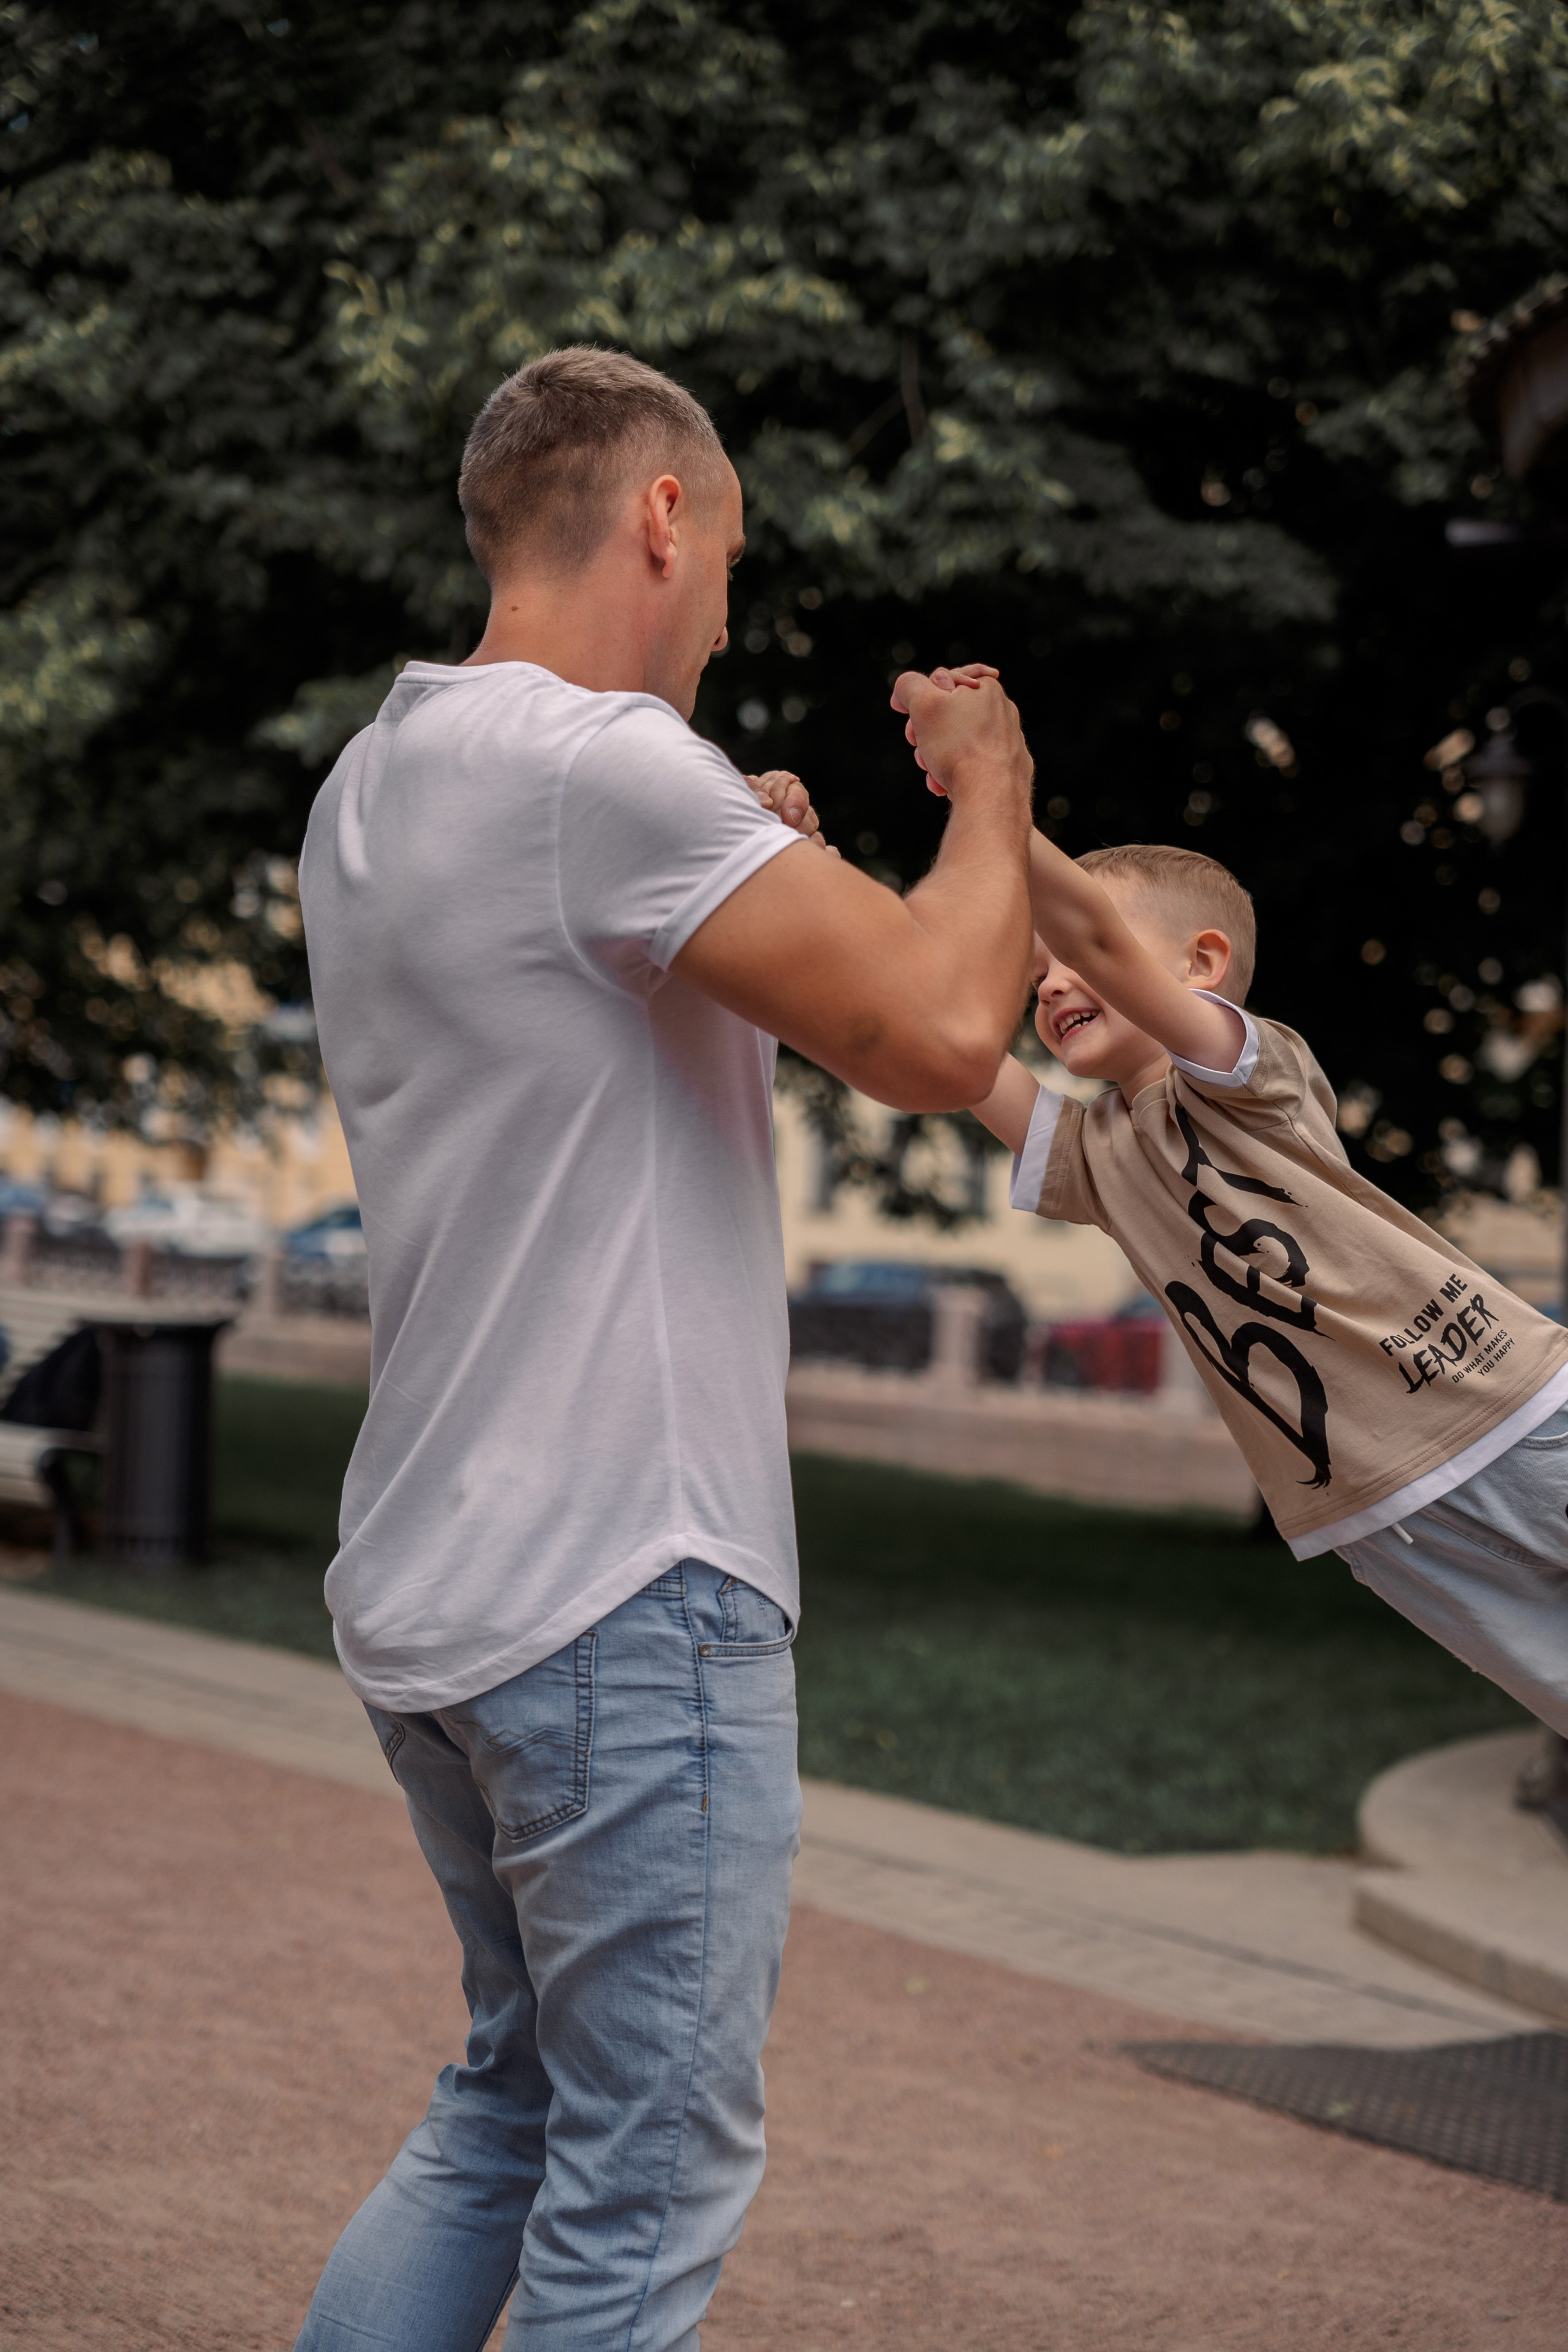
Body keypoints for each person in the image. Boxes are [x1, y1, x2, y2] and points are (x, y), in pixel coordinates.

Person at [291, 345, 1035, 2352]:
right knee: (647, 2175)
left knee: (508, 2113)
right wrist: (992, 788)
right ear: (660, 517)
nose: (724, 611)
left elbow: (589, 1007)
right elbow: (950, 1034)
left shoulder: (378, 784)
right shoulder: (600, 774)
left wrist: (739, 841)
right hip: (627, 1580)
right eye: (726, 558)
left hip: (447, 1577)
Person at [948, 809, 1568, 1736]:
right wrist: (800, 871)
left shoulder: (1251, 1070)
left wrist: (990, 792)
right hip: (1386, 1520)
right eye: (1039, 974)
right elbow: (942, 1045)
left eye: (1072, 956)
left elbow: (1100, 946)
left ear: (1201, 965)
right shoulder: (1093, 1157)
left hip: (1508, 1410)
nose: (1054, 984)